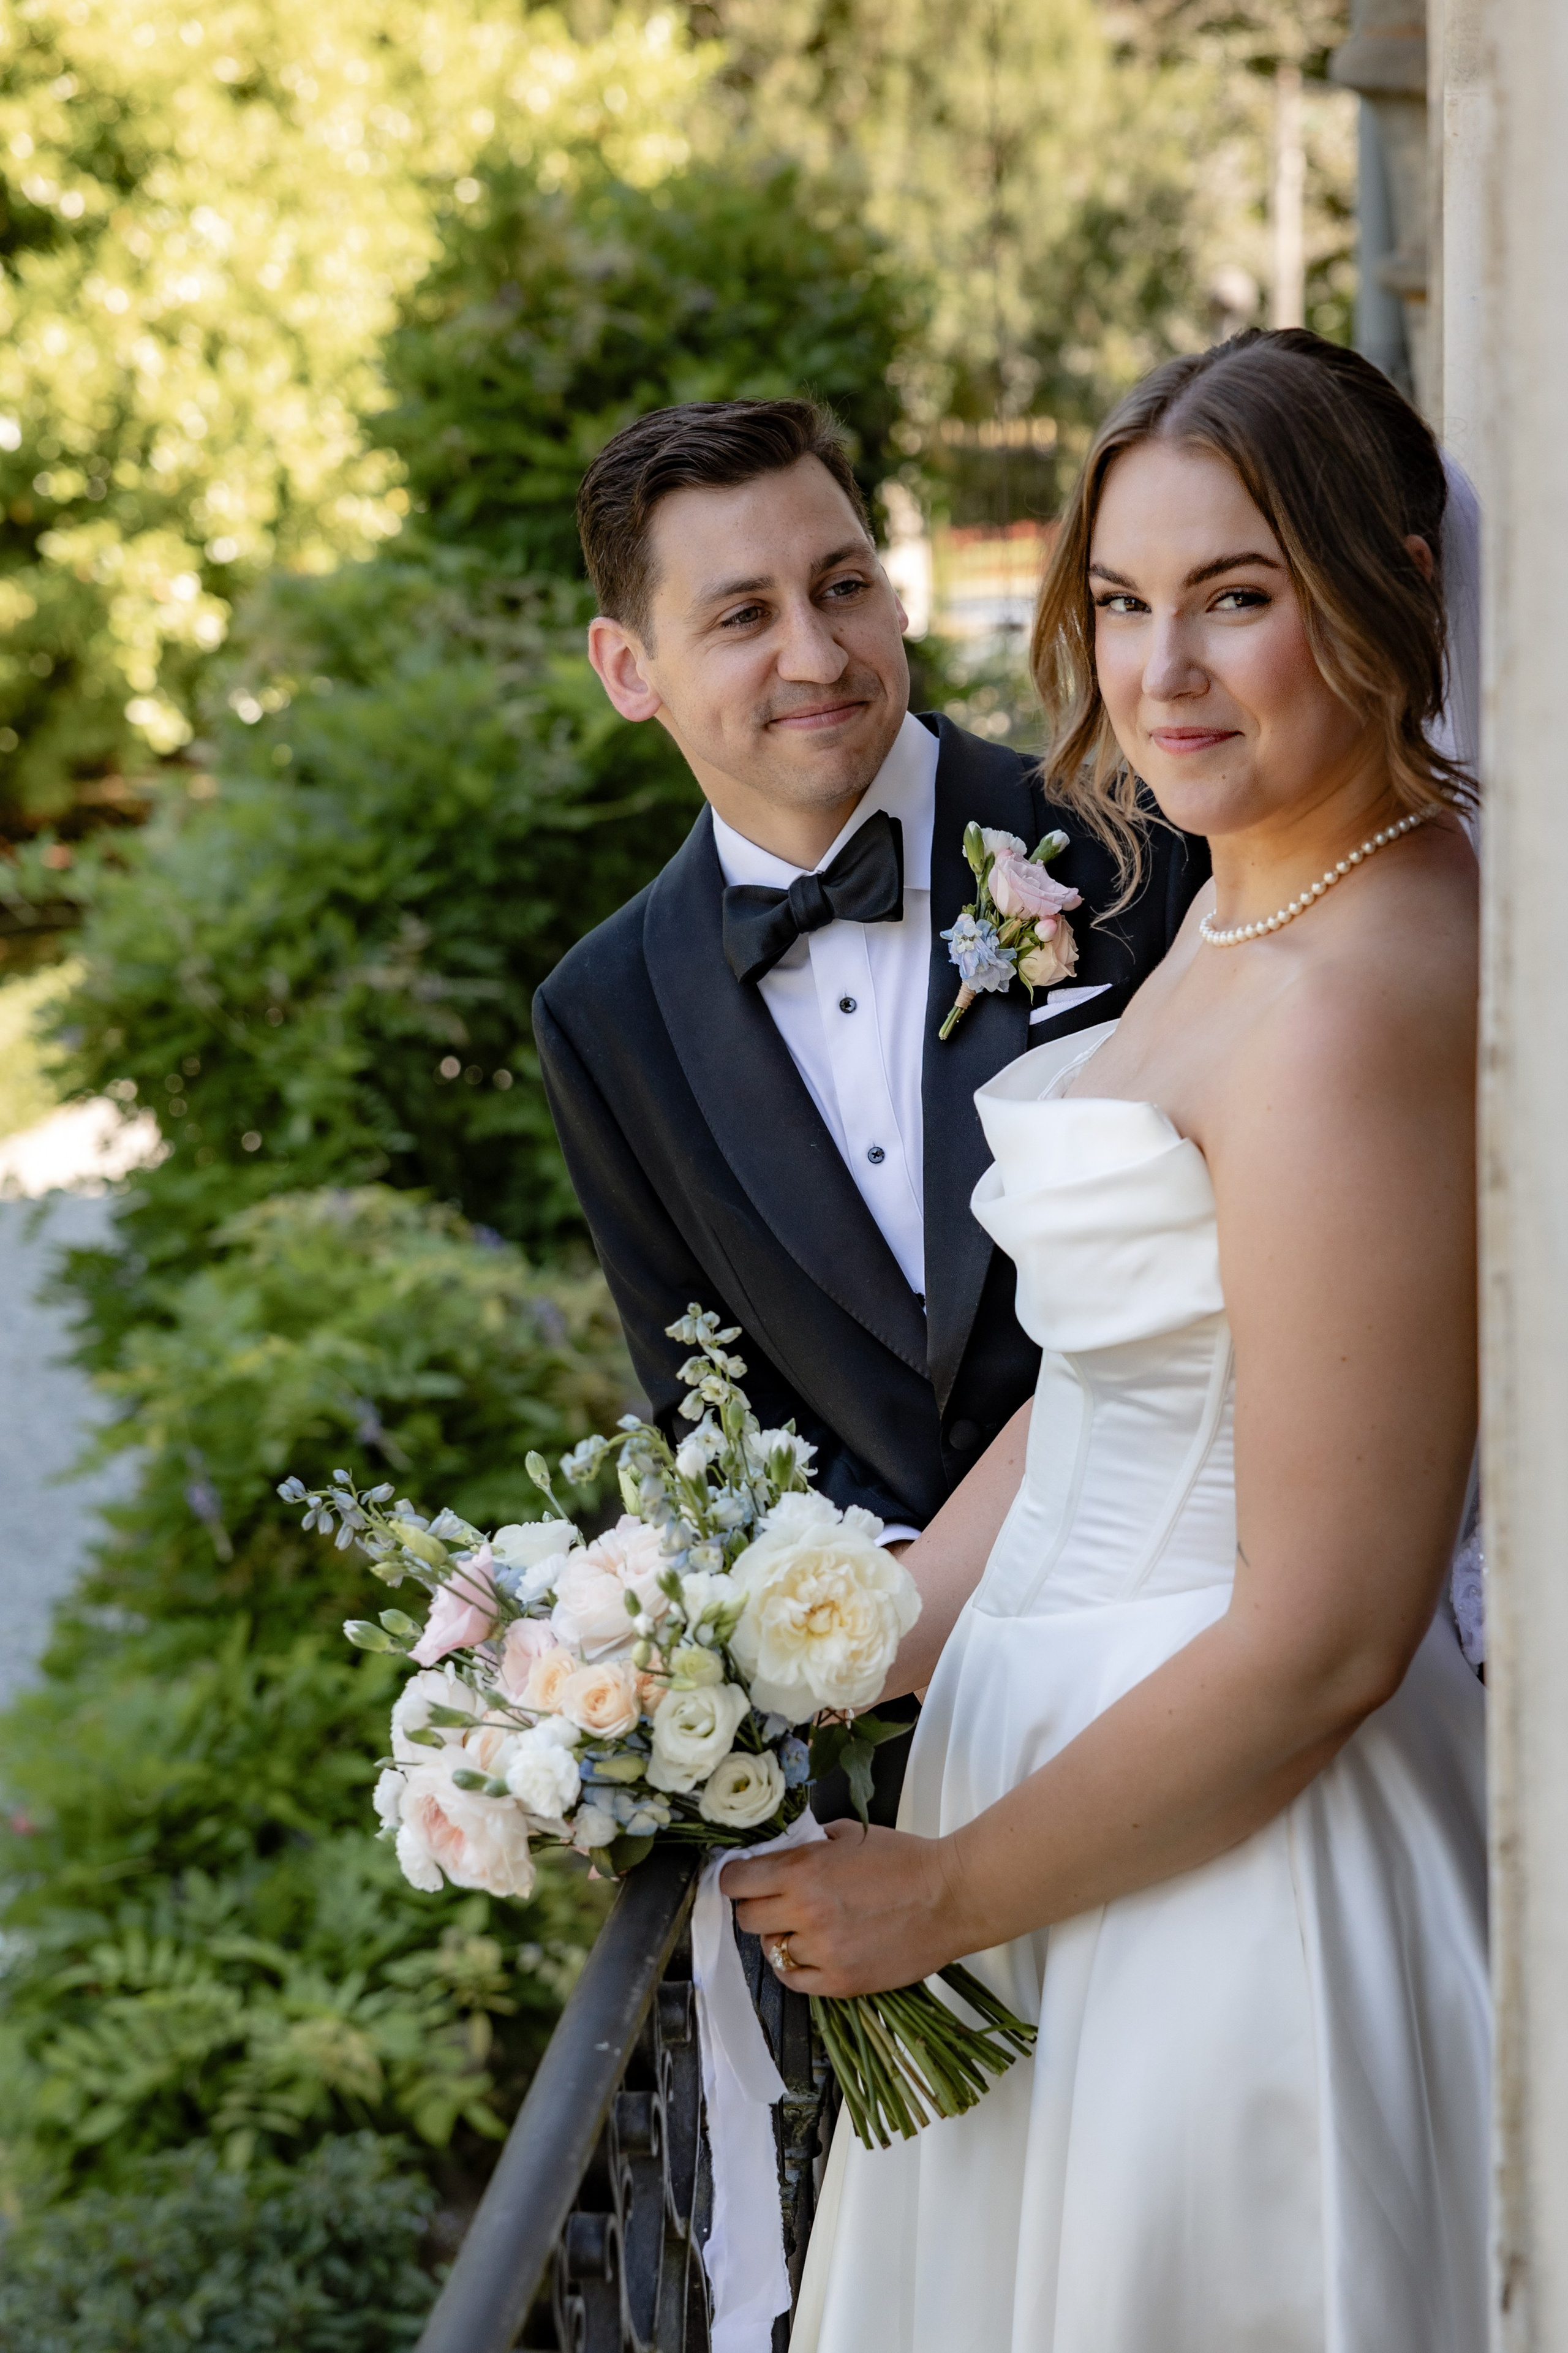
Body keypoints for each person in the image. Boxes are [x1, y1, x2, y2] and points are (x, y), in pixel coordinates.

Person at [725, 329, 1488, 2353]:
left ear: (1394, 582)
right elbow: (1112, 1391)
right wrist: (842, 1632)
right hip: (1069, 1790)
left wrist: (950, 1892)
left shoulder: (1358, 987)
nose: (1160, 676)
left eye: (1238, 599)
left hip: (1230, 1862)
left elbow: (1329, 1624)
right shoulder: (1250, 904)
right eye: (1124, 606)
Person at [533, 399, 1204, 1700]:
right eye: (742, 617)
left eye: (842, 586)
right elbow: (708, 1414)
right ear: (628, 669)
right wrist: (871, 1635)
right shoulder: (600, 1009)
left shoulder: (1134, 839)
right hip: (898, 1716)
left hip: (1186, 1618)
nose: (816, 651)